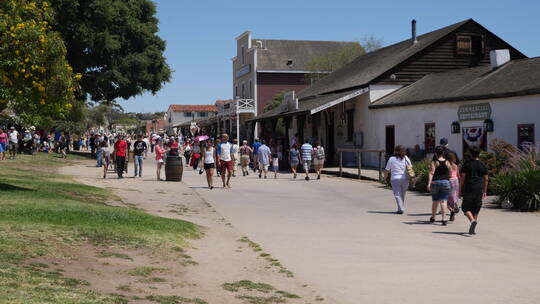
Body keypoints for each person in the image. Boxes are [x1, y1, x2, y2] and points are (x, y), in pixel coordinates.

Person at [459, 146, 488, 235]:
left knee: (465, 207)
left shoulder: (467, 164)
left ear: (470, 154)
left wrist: (460, 190)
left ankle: (472, 221)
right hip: (479, 188)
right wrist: (485, 191)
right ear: (479, 154)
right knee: (476, 208)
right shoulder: (483, 164)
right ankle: (473, 226)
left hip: (469, 187)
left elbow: (462, 178)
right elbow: (486, 179)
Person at [384, 145, 412, 214]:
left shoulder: (391, 159)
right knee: (402, 194)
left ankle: (400, 209)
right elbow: (410, 168)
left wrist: (385, 177)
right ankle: (400, 207)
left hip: (395, 179)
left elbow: (386, 170)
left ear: (396, 151)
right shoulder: (406, 158)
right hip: (405, 179)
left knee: (397, 194)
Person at [427, 146, 452, 225]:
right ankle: (444, 219)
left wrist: (429, 183)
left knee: (435, 201)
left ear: (435, 153)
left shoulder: (434, 162)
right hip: (445, 182)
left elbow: (431, 173)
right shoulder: (447, 162)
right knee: (443, 201)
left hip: (436, 182)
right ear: (443, 153)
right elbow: (450, 173)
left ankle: (433, 217)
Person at [447, 151, 461, 221]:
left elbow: (448, 174)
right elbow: (458, 175)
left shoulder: (447, 165)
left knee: (446, 199)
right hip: (456, 181)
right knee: (454, 195)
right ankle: (455, 205)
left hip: (449, 181)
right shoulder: (456, 165)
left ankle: (452, 210)